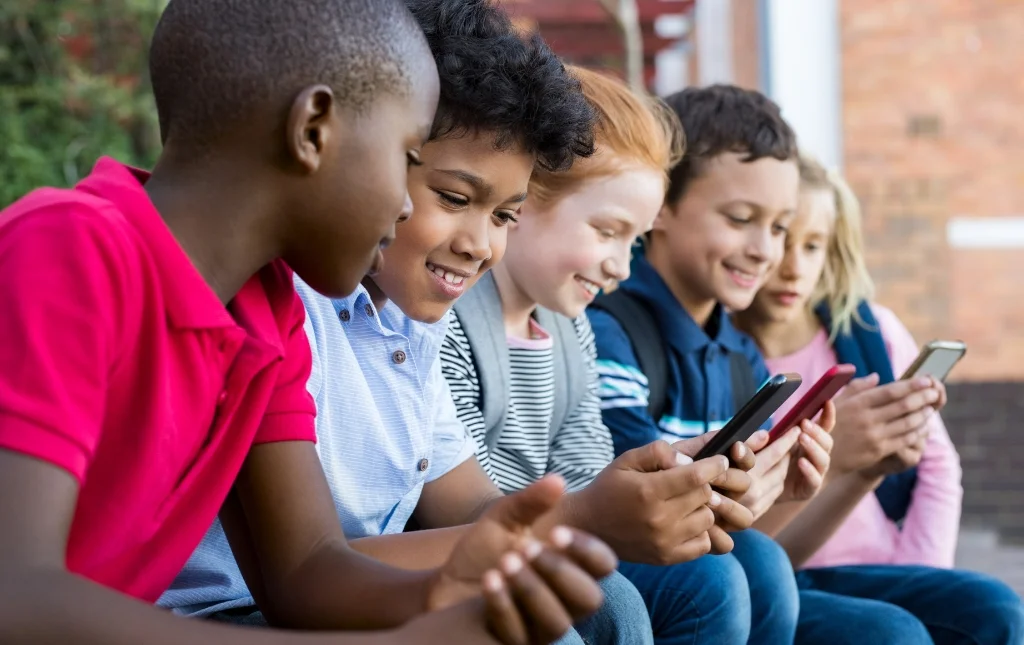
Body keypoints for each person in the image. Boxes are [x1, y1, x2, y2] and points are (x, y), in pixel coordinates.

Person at [0, 1, 615, 643]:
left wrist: (444, 589)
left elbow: (305, 573)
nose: (405, 203)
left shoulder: (267, 313)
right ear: (313, 130)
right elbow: (17, 596)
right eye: (405, 156)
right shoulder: (68, 249)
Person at [439, 68, 791, 645]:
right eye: (607, 231)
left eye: (634, 241)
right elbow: (459, 502)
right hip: (482, 543)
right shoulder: (453, 318)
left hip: (555, 532)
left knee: (749, 567)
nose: (621, 267)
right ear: (524, 199)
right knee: (690, 588)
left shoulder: (569, 328)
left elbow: (582, 467)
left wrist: (661, 470)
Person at [734, 151, 1024, 645]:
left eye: (814, 246)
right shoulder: (725, 355)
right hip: (780, 571)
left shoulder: (871, 334)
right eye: (785, 241)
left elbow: (936, 467)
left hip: (883, 564)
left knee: (997, 608)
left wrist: (920, 576)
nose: (793, 268)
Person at [587, 84, 836, 644]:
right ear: (662, 205)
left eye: (778, 227)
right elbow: (645, 506)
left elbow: (744, 542)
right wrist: (726, 496)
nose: (764, 250)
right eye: (741, 218)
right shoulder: (608, 328)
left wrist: (783, 492)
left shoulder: (742, 355)